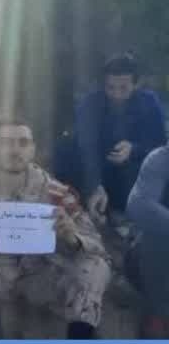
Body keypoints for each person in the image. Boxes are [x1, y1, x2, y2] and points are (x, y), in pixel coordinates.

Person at [0, 117, 111, 338]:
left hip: (35, 277)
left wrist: (72, 236)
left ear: (33, 149)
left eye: (23, 143)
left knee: (96, 264)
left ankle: (79, 341)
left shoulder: (56, 192)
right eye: (6, 142)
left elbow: (96, 246)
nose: (15, 150)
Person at [62, 53, 167, 226]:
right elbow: (87, 147)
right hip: (97, 167)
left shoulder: (149, 102)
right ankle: (93, 207)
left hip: (137, 171)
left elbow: (161, 145)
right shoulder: (90, 103)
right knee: (66, 154)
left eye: (123, 88)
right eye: (110, 87)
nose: (116, 94)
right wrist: (94, 185)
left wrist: (133, 149)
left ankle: (128, 214)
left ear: (136, 84)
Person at [127, 144, 169, 337]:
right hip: (152, 255)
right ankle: (156, 322)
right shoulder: (160, 159)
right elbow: (139, 204)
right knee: (158, 236)